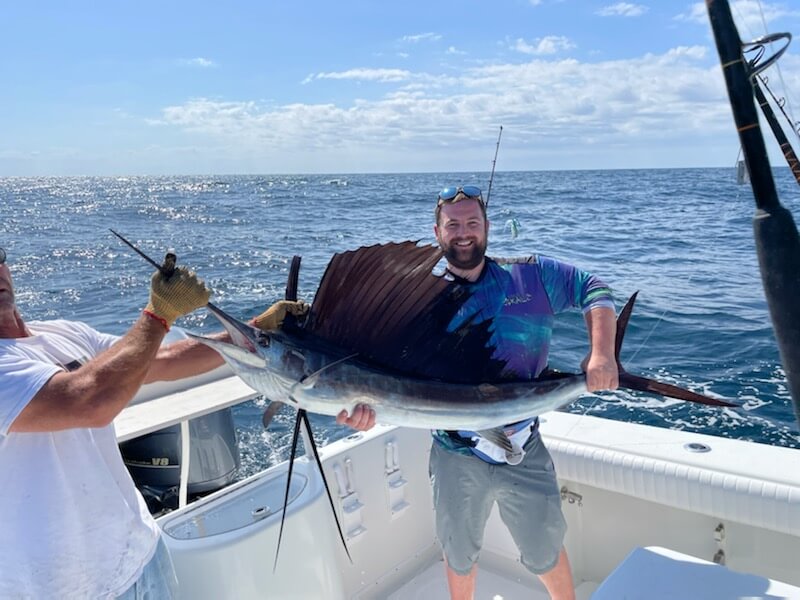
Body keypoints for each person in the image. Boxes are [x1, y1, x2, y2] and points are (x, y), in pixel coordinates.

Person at [337, 185, 618, 600]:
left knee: (544, 550)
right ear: (437, 232)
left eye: (472, 223)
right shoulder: (422, 301)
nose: (463, 233)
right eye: (453, 225)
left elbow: (594, 289)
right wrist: (363, 409)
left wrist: (601, 356)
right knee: (459, 554)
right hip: (454, 453)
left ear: (487, 228)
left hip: (524, 444)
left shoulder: (531, 274)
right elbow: (388, 381)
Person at [0, 245, 306, 599]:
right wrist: (158, 315)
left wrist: (254, 335)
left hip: (142, 557)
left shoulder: (59, 333)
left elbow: (159, 360)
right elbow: (89, 399)